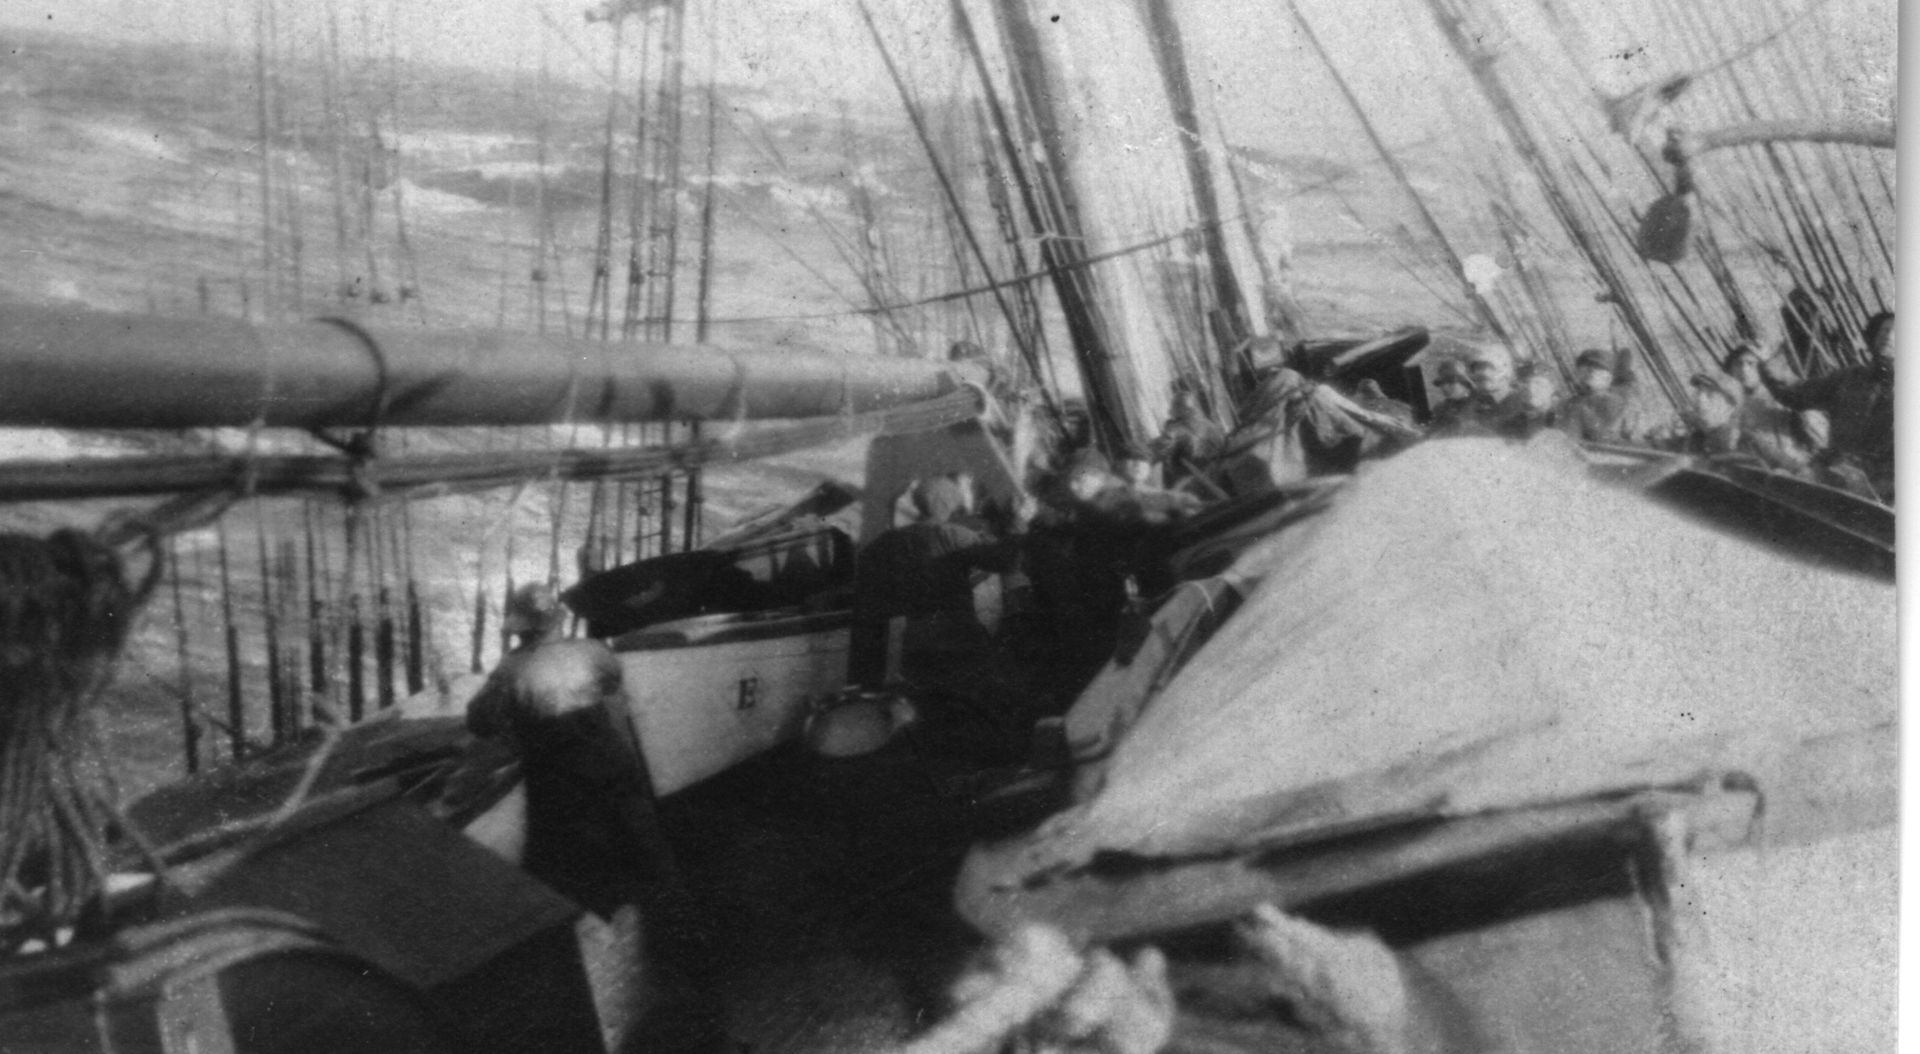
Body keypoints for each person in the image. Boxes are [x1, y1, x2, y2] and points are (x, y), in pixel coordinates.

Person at [851, 473, 1028, 687]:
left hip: (916, 636)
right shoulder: (956, 535)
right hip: (959, 631)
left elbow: (866, 565)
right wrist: (1017, 529)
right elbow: (1004, 562)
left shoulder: (889, 541)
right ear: (947, 503)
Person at [1759, 309, 1894, 501]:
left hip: (1885, 486)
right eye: (1884, 330)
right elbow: (1798, 394)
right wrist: (1769, 364)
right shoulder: (1850, 378)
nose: (1888, 336)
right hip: (1835, 470)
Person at [1558, 347, 1638, 444]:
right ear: (1577, 373)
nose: (1592, 373)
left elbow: (1607, 437)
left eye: (1599, 370)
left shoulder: (1615, 403)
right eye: (1586, 368)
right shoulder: (1568, 403)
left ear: (1609, 378)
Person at [1426, 359, 1477, 434]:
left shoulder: (1479, 405)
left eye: (1450, 382)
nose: (1444, 387)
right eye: (1441, 383)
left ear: (1464, 383)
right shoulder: (1439, 408)